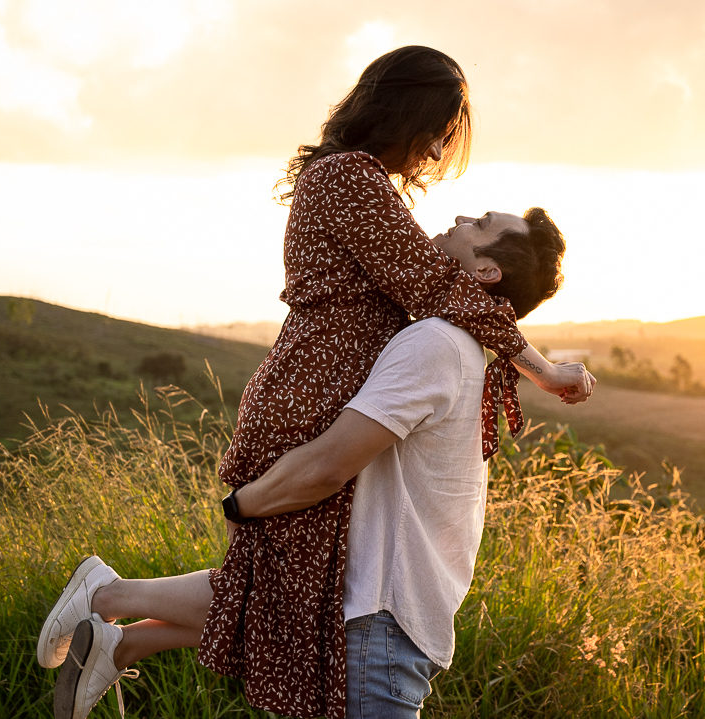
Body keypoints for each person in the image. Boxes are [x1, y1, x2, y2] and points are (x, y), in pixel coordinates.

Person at [40, 208, 578, 719]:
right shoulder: (454, 343)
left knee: (271, 600)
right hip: (391, 622)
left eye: (480, 223)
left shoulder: (438, 343)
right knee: (270, 597)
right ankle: (114, 614)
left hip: (386, 624)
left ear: (486, 270)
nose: (461, 219)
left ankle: (115, 620)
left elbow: (327, 466)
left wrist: (243, 502)